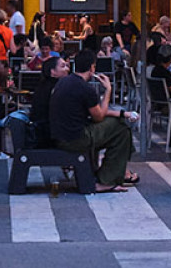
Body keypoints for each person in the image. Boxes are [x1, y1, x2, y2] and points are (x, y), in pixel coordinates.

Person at [49, 49, 138, 191]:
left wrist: (121, 113)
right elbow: (99, 117)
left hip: (61, 136)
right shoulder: (85, 88)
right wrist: (108, 90)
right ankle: (107, 180)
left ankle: (110, 172)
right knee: (122, 130)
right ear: (92, 67)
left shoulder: (63, 82)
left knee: (117, 126)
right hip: (76, 139)